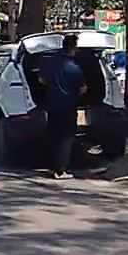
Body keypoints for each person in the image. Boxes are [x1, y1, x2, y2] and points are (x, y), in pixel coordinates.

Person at [39, 34, 87, 180]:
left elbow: (41, 80)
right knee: (66, 139)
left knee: (53, 136)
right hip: (68, 107)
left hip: (52, 106)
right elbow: (83, 89)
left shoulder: (51, 62)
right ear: (73, 48)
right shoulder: (74, 68)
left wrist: (53, 87)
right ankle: (61, 171)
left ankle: (51, 167)